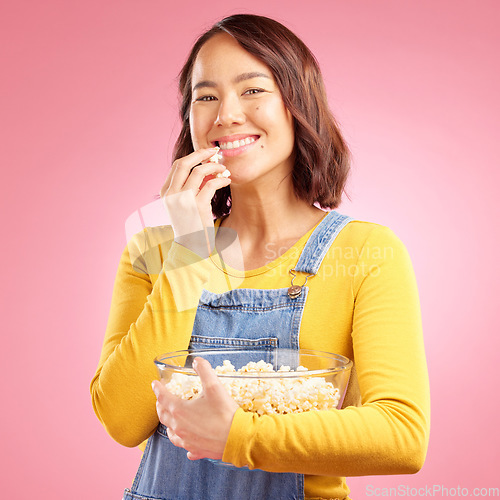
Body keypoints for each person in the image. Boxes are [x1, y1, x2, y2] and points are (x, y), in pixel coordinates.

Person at [90, 14, 430, 500]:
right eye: (205, 97)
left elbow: (402, 437)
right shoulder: (155, 250)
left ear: (298, 104)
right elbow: (122, 420)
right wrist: (190, 248)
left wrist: (238, 437)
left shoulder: (367, 253)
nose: (225, 115)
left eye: (252, 90)